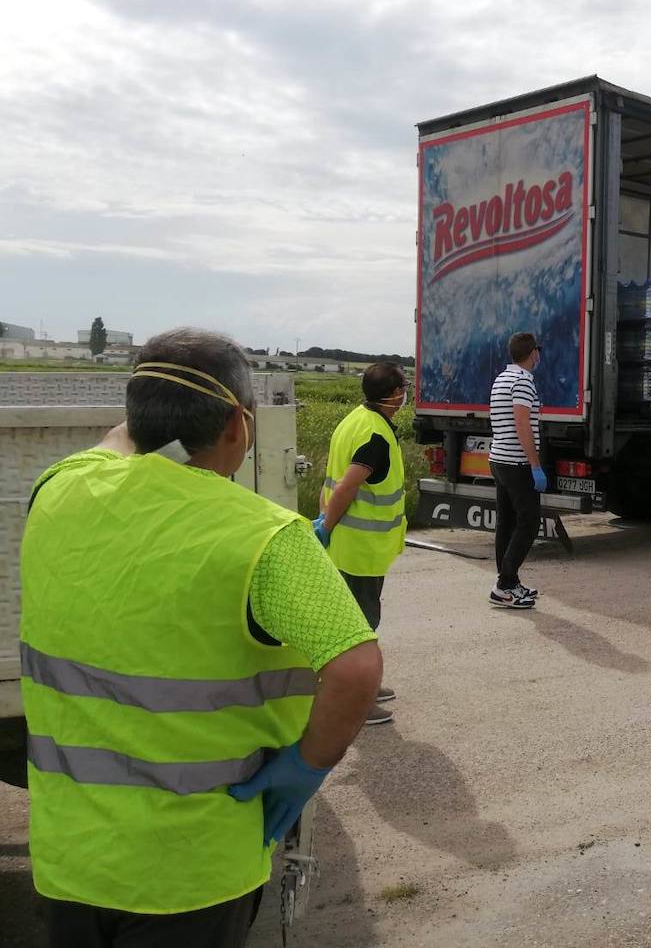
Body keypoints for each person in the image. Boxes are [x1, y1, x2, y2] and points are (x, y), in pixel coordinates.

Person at [20, 328, 381, 948]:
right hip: (194, 871)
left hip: (72, 860)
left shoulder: (58, 491)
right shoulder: (266, 536)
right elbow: (355, 669)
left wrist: (145, 420)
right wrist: (306, 766)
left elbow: (114, 444)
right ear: (240, 427)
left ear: (135, 416)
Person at [316, 363, 408, 726]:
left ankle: (364, 687)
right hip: (359, 548)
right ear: (395, 394)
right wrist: (327, 524)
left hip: (348, 544)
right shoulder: (376, 438)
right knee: (359, 626)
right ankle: (356, 700)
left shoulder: (356, 417)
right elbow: (349, 485)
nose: (406, 393)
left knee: (353, 621)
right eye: (403, 387)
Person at [486, 331, 546, 608]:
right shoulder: (523, 381)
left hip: (499, 459)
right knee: (530, 522)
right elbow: (523, 424)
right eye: (538, 350)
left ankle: (508, 581)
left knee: (507, 522)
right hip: (516, 462)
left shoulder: (502, 378)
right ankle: (505, 586)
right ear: (533, 353)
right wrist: (535, 465)